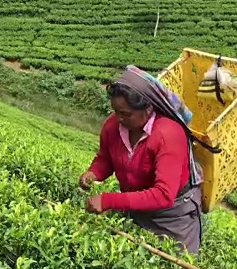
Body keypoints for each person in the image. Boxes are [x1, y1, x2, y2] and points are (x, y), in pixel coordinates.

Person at [79, 65, 219, 255]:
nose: (118, 118)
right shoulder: (113, 126)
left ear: (148, 108)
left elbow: (163, 194)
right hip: (137, 205)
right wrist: (94, 172)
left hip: (172, 217)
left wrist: (108, 200)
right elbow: (105, 157)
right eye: (116, 111)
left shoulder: (168, 134)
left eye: (125, 113)